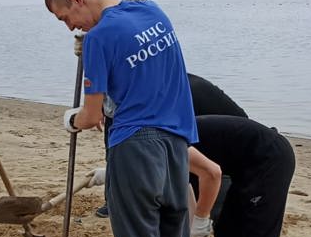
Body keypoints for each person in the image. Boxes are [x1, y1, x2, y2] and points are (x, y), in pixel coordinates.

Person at [46, 0, 197, 237]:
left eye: (66, 17)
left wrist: (72, 120)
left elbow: (92, 114)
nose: (71, 28)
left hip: (134, 150)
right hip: (178, 146)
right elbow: (141, 79)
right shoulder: (154, 13)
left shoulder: (99, 39)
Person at [96, 72, 247, 219]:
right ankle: (115, 198)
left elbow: (169, 150)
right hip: (193, 130)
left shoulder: (179, 95)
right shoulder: (144, 89)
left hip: (224, 146)